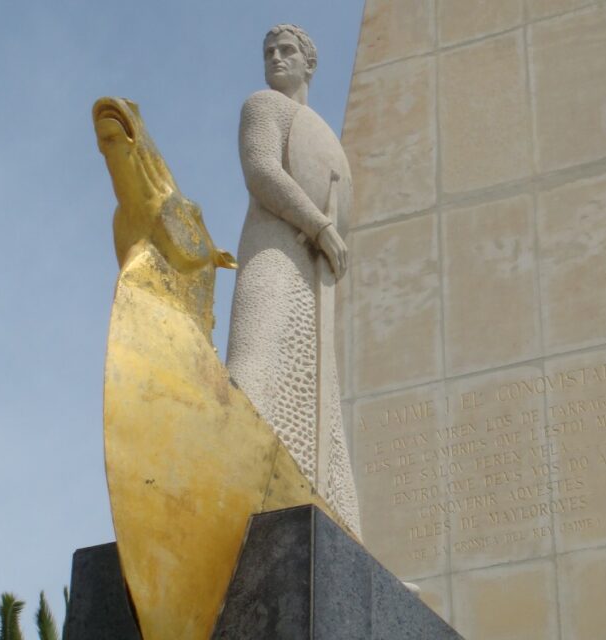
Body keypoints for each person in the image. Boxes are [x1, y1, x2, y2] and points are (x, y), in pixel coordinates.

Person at [226, 24, 360, 537]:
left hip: (310, 268)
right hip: (274, 251)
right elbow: (261, 172)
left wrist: (325, 236)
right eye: (268, 52)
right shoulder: (263, 106)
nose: (275, 58)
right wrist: (321, 226)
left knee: (318, 398)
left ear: (309, 64)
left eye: (287, 51)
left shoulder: (316, 127)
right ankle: (230, 486)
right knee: (251, 368)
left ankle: (343, 535)